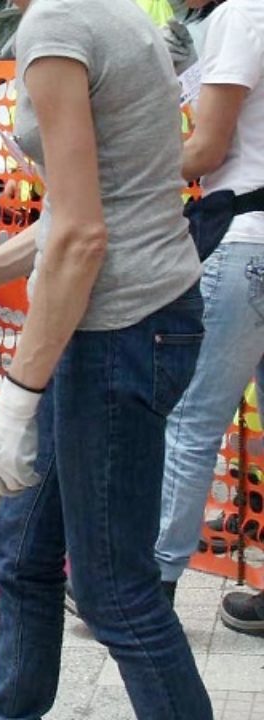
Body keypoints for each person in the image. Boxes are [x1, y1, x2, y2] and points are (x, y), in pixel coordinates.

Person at [0, 0, 212, 716]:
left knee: (115, 594)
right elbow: (89, 205)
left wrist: (17, 399)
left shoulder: (59, 27)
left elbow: (83, 235)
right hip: (128, 317)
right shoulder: (107, 12)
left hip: (118, 328)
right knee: (22, 553)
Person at [154, 0, 264, 634]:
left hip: (245, 235)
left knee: (191, 420)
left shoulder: (239, 17)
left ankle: (151, 585)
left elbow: (205, 149)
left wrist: (108, 168)